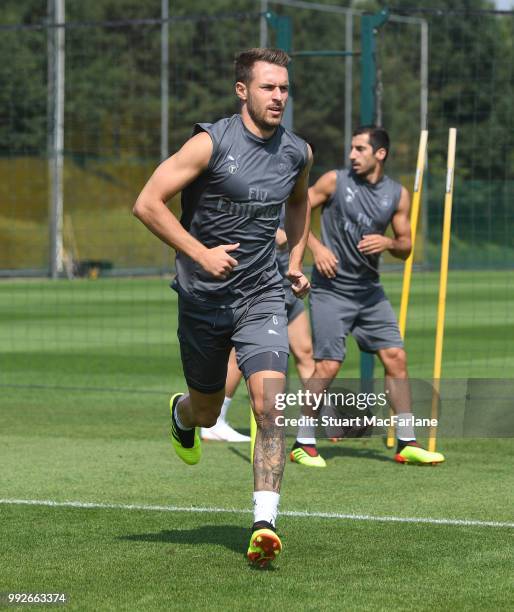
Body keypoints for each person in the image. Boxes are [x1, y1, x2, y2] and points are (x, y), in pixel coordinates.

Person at [133, 48, 312, 566]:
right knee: (208, 408)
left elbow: (299, 202)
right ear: (243, 91)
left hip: (262, 295)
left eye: (284, 88)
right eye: (268, 87)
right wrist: (199, 253)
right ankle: (183, 413)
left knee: (268, 405)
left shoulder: (297, 151)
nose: (279, 96)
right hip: (203, 299)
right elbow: (147, 202)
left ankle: (264, 522)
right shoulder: (210, 143)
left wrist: (295, 259)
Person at [290, 125, 445, 467]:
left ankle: (406, 442)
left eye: (360, 149)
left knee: (396, 358)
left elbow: (405, 246)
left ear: (380, 154)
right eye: (351, 148)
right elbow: (296, 209)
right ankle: (303, 440)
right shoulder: (334, 181)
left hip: (370, 291)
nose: (351, 155)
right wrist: (315, 248)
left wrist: (389, 243)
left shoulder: (397, 195)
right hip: (332, 291)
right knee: (329, 364)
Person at [201, 224, 315, 442]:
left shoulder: (293, 195)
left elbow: (302, 217)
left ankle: (313, 424)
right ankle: (214, 421)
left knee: (305, 351)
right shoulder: (259, 192)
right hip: (261, 288)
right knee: (239, 356)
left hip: (288, 284)